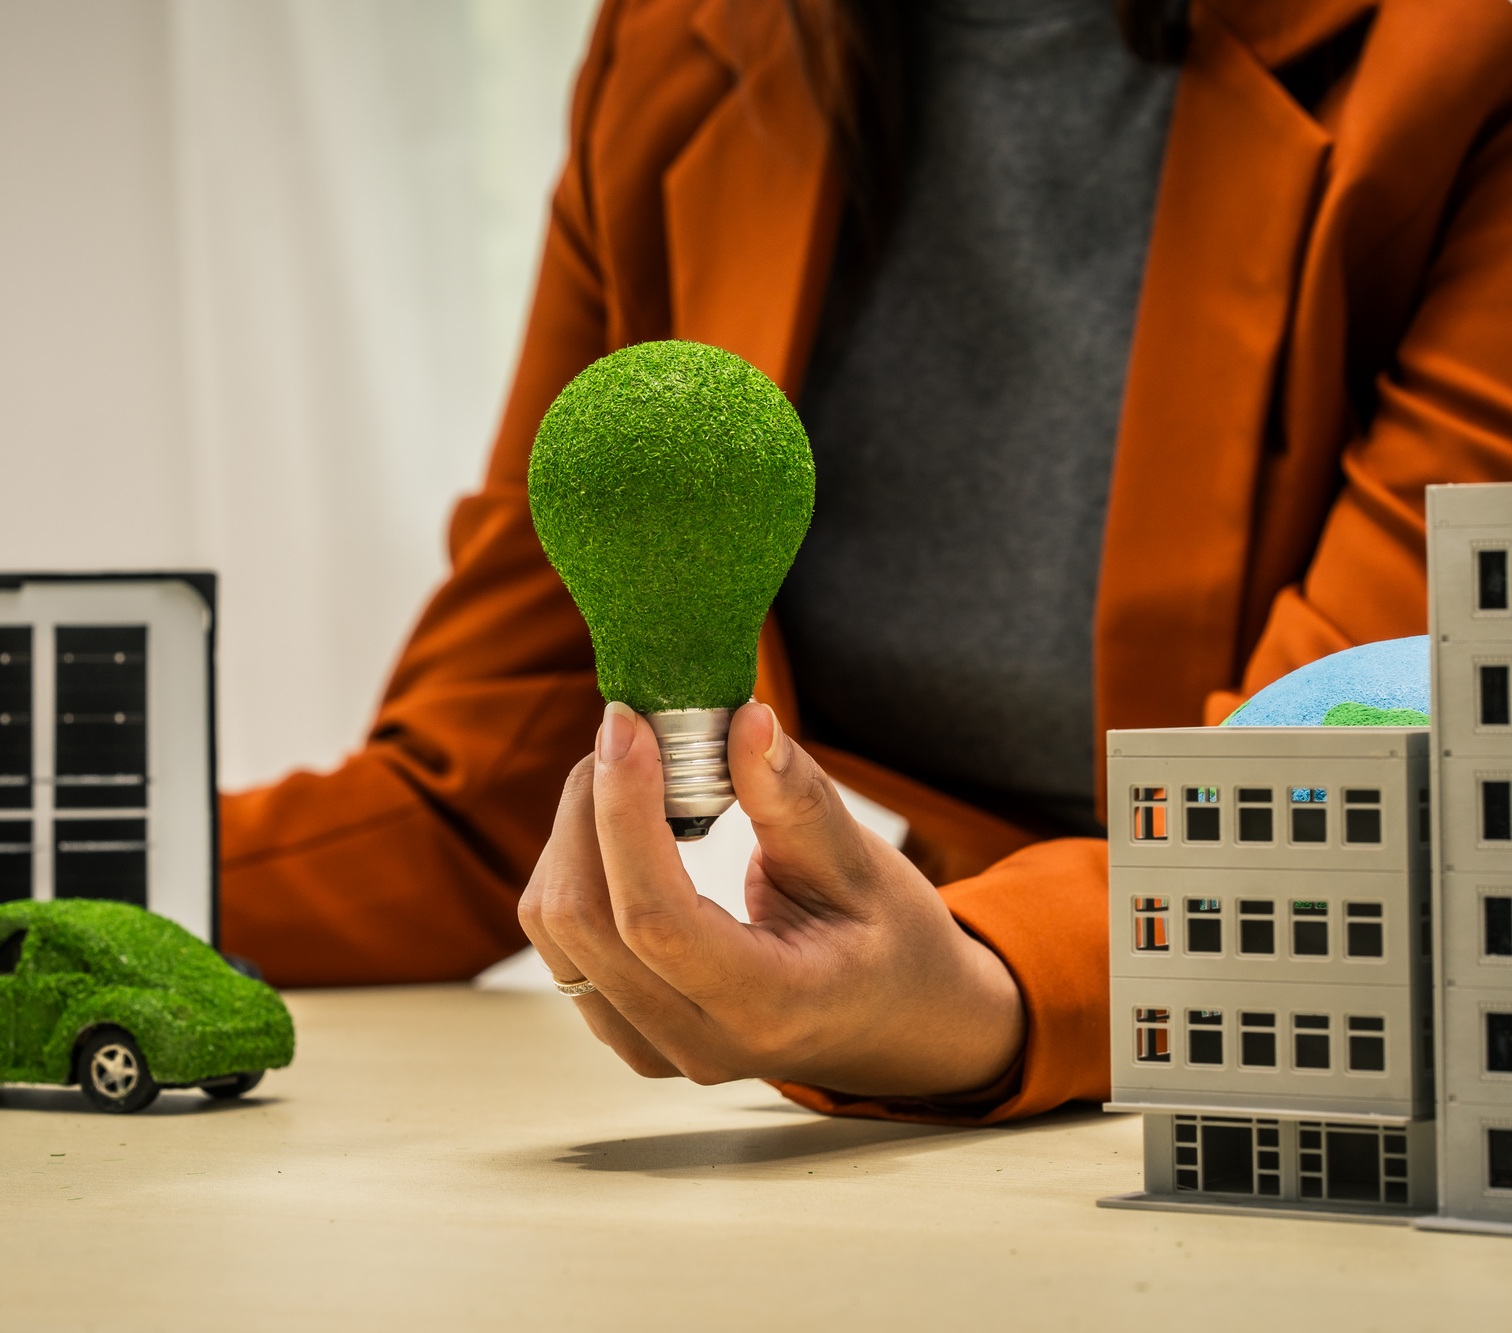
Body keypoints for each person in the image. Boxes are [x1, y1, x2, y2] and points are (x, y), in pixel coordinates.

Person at [221, 0, 1512, 1122]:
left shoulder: (1464, 54)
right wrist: (44, 873)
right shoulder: (679, 42)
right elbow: (480, 784)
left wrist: (981, 982)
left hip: (1319, 1077)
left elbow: (1357, 782)